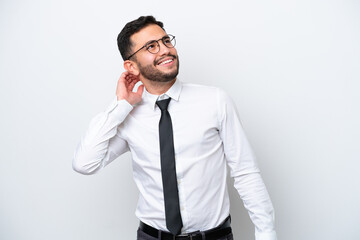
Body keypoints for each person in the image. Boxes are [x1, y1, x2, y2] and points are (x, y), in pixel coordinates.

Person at [73, 15, 277, 240]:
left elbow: (245, 171)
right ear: (131, 66)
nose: (165, 50)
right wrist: (120, 105)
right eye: (151, 46)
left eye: (166, 41)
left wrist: (266, 232)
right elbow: (85, 163)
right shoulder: (127, 116)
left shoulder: (215, 101)